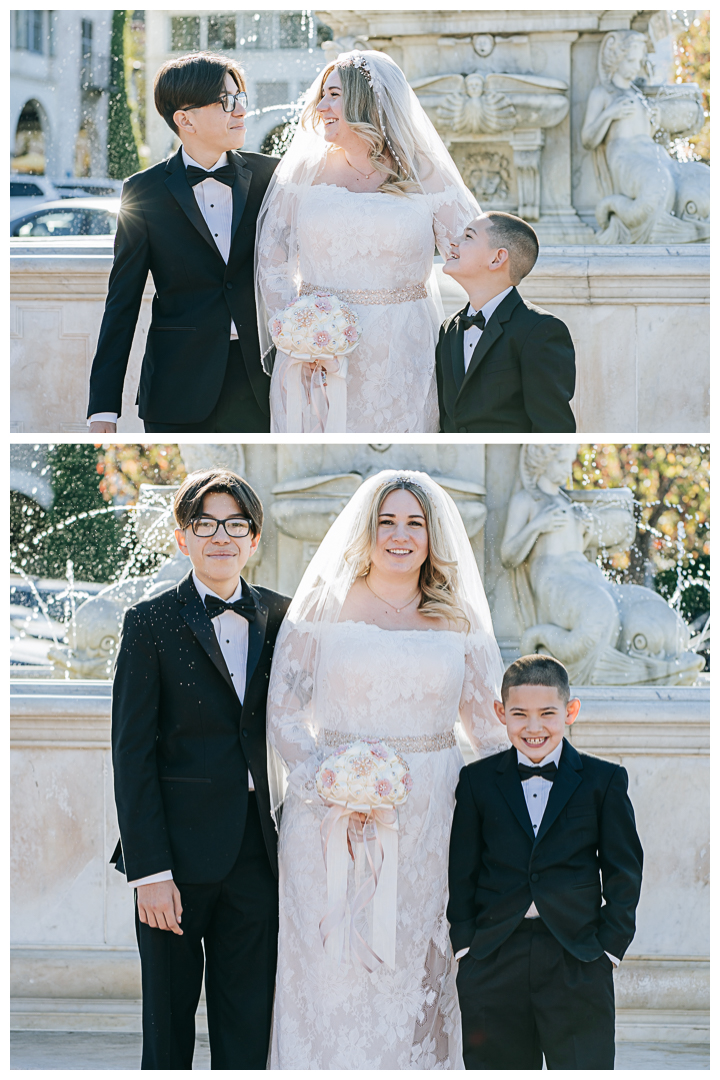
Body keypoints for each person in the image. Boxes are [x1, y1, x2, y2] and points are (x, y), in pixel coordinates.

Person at [266, 470, 510, 1068]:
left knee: (414, 973)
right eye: (388, 521)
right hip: (330, 820)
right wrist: (333, 781)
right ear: (368, 530)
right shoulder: (325, 606)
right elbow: (284, 714)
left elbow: (491, 732)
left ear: (432, 537)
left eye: (415, 523)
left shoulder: (458, 620)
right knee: (333, 973)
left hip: (431, 824)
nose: (400, 535)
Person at [111, 469, 290, 1068]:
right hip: (174, 862)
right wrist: (149, 871)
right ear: (183, 537)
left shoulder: (283, 618)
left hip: (257, 859)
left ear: (254, 538)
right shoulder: (149, 623)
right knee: (167, 1037)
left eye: (236, 524)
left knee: (248, 1032)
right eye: (205, 524)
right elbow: (130, 754)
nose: (222, 537)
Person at [255, 50, 481, 433]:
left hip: (402, 352)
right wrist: (297, 333)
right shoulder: (304, 174)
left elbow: (476, 254)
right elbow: (272, 264)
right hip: (315, 353)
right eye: (321, 95)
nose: (320, 106)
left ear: (365, 101)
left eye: (333, 95)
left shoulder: (425, 172)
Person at [448, 654, 643, 1070]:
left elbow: (624, 869)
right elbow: (461, 870)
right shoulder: (477, 781)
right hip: (494, 957)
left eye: (547, 714)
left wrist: (609, 948)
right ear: (501, 713)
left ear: (570, 711)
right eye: (519, 714)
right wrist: (466, 946)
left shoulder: (603, 781)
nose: (533, 727)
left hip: (577, 957)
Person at [87, 53, 278, 434]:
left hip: (262, 384)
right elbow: (121, 302)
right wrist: (103, 409)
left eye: (240, 97)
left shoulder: (270, 176)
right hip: (176, 387)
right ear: (184, 119)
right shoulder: (143, 191)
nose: (240, 110)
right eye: (226, 101)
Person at [436, 211, 577, 432]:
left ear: (497, 258)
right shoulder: (449, 329)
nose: (453, 242)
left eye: (468, 237)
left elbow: (552, 428)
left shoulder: (540, 331)